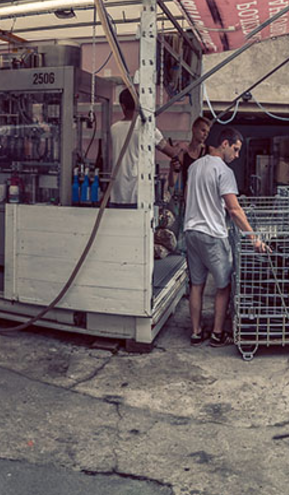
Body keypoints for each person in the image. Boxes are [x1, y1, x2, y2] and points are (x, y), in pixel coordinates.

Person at [183, 126, 265, 346]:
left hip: (191, 232)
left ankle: (196, 332)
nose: (236, 155)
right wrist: (253, 237)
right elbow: (234, 209)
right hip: (212, 234)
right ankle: (218, 334)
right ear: (225, 144)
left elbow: (189, 196)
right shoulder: (224, 171)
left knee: (197, 285)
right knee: (223, 285)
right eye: (236, 150)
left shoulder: (194, 166)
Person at [109, 87, 179, 206]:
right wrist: (179, 147)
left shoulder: (114, 129)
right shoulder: (147, 128)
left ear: (123, 106)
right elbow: (171, 152)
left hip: (117, 194)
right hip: (140, 195)